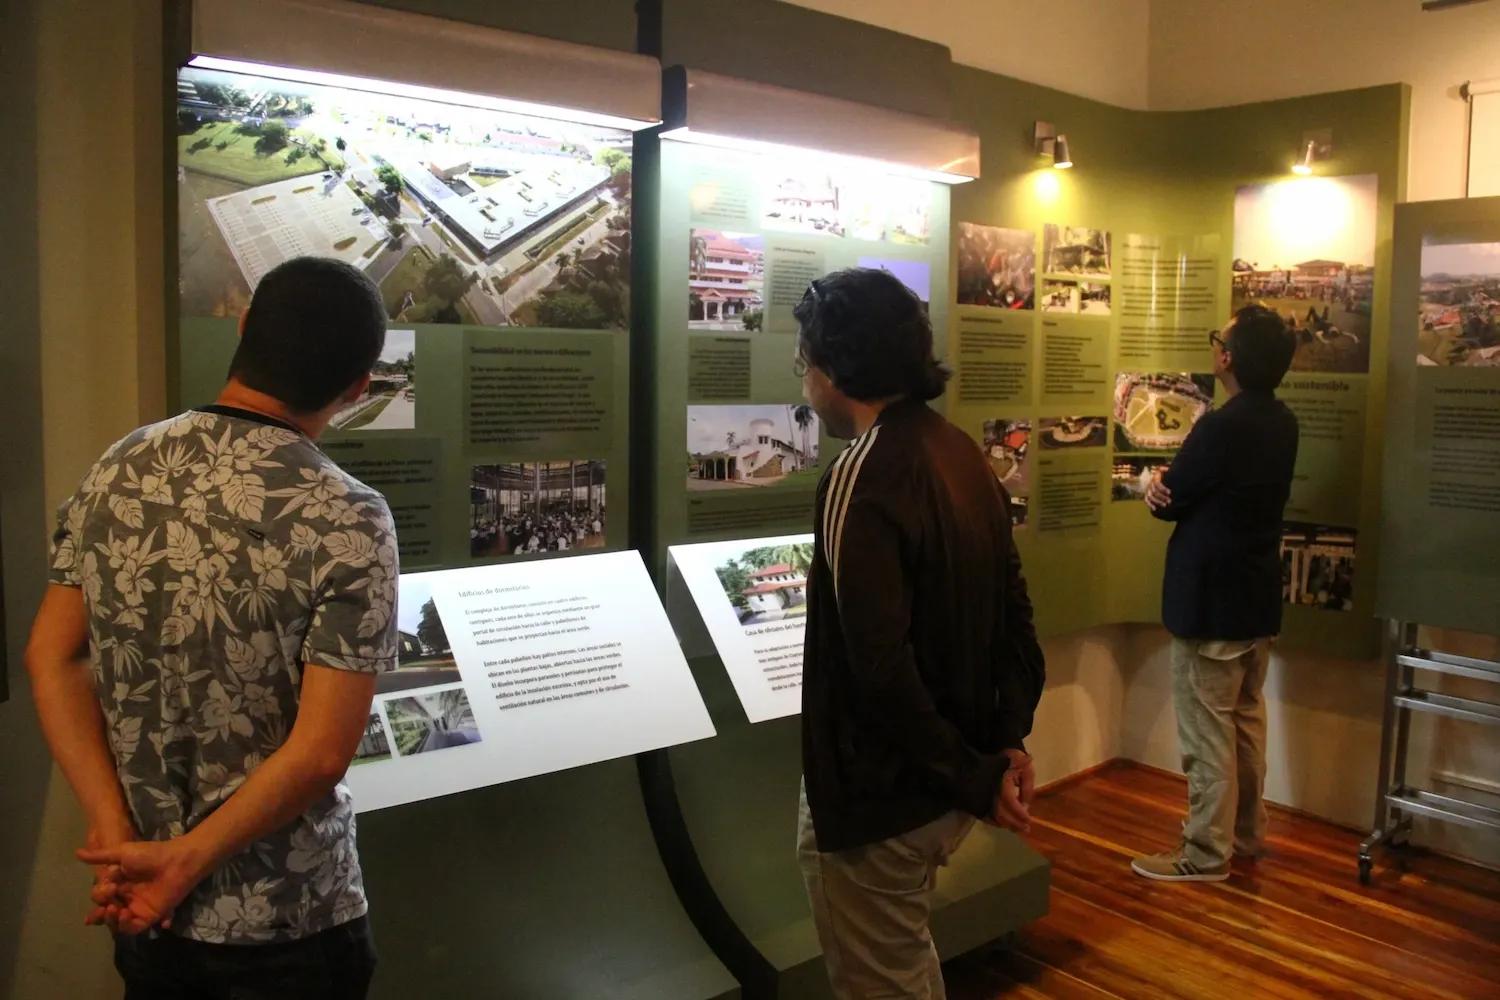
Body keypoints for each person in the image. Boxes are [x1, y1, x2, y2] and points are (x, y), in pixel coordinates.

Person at [24, 256, 399, 997]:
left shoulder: (121, 465)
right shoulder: (348, 514)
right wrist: (186, 862)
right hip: (286, 912)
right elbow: (321, 754)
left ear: (243, 327)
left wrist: (115, 833)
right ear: (358, 387)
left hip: (144, 893)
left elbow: (52, 655)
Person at [792, 267, 1046, 998]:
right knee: (904, 965)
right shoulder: (961, 452)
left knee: (883, 980)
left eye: (805, 361)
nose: (804, 380)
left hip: (883, 796)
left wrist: (974, 773)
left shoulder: (862, 473)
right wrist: (1003, 741)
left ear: (835, 368)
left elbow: (876, 667)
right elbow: (1015, 616)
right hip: (943, 779)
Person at [1132, 304, 1299, 882]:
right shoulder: (1283, 421)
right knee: (1246, 723)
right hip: (1255, 599)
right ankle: (1246, 835)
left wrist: (1156, 486)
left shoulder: (1222, 427)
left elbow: (1172, 498)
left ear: (1227, 358)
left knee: (1207, 735)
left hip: (1211, 605)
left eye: (1216, 341)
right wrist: (1170, 488)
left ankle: (1204, 853)